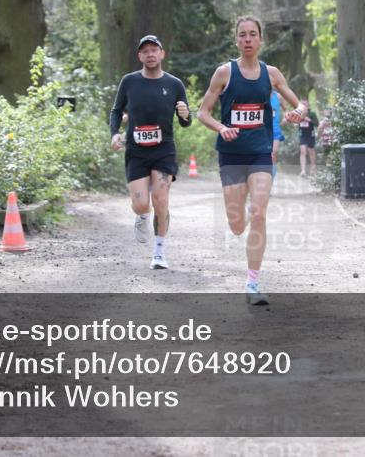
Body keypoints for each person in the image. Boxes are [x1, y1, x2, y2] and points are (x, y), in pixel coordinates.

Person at [196, 16, 306, 305]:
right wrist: (221, 127)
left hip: (259, 154)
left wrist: (298, 112)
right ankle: (240, 216)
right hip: (231, 155)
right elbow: (202, 112)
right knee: (236, 225)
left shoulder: (271, 74)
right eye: (242, 35)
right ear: (236, 40)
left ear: (260, 40)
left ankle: (253, 283)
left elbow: (300, 103)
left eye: (252, 34)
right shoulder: (224, 73)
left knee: (258, 212)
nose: (247, 39)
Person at [110, 35, 191, 270]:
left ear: (162, 54)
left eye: (154, 50)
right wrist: (115, 133)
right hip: (136, 151)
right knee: (141, 204)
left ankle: (158, 252)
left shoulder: (175, 84)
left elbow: (186, 122)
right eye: (145, 51)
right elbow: (116, 111)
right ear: (140, 57)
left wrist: (185, 114)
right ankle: (143, 216)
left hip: (164, 150)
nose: (150, 54)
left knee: (161, 199)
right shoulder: (129, 82)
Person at [295, 100, 318, 176]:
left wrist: (310, 120)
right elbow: (295, 123)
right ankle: (303, 170)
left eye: (305, 105)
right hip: (302, 134)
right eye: (302, 104)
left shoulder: (312, 114)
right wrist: (297, 122)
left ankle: (313, 169)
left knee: (311, 151)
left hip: (310, 135)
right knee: (303, 151)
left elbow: (317, 123)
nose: (304, 106)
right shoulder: (298, 113)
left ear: (308, 106)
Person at [269, 91, 286, 175]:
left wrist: (285, 119)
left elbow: (286, 110)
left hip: (275, 129)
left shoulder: (278, 96)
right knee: (265, 154)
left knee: (273, 153)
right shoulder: (259, 94)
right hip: (262, 129)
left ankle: (272, 175)